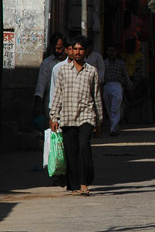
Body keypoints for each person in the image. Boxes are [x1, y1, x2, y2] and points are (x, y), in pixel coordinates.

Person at [50, 35, 104, 195]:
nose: (78, 52)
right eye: (75, 49)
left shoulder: (92, 71)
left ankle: (84, 183)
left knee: (84, 148)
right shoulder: (63, 71)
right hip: (67, 117)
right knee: (71, 151)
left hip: (86, 116)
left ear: (85, 51)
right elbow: (58, 94)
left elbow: (96, 96)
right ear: (70, 51)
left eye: (81, 49)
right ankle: (74, 185)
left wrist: (99, 120)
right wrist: (53, 116)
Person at [33, 32, 66, 123]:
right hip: (51, 104)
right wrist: (38, 105)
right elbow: (40, 86)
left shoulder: (71, 63)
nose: (57, 51)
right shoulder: (47, 64)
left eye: (59, 48)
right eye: (54, 48)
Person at [102, 44, 131, 136]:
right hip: (106, 85)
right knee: (109, 107)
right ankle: (114, 125)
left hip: (117, 85)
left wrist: (129, 86)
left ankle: (113, 129)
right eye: (109, 51)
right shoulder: (104, 62)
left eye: (113, 51)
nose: (111, 53)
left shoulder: (121, 63)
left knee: (115, 107)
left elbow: (126, 76)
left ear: (116, 52)